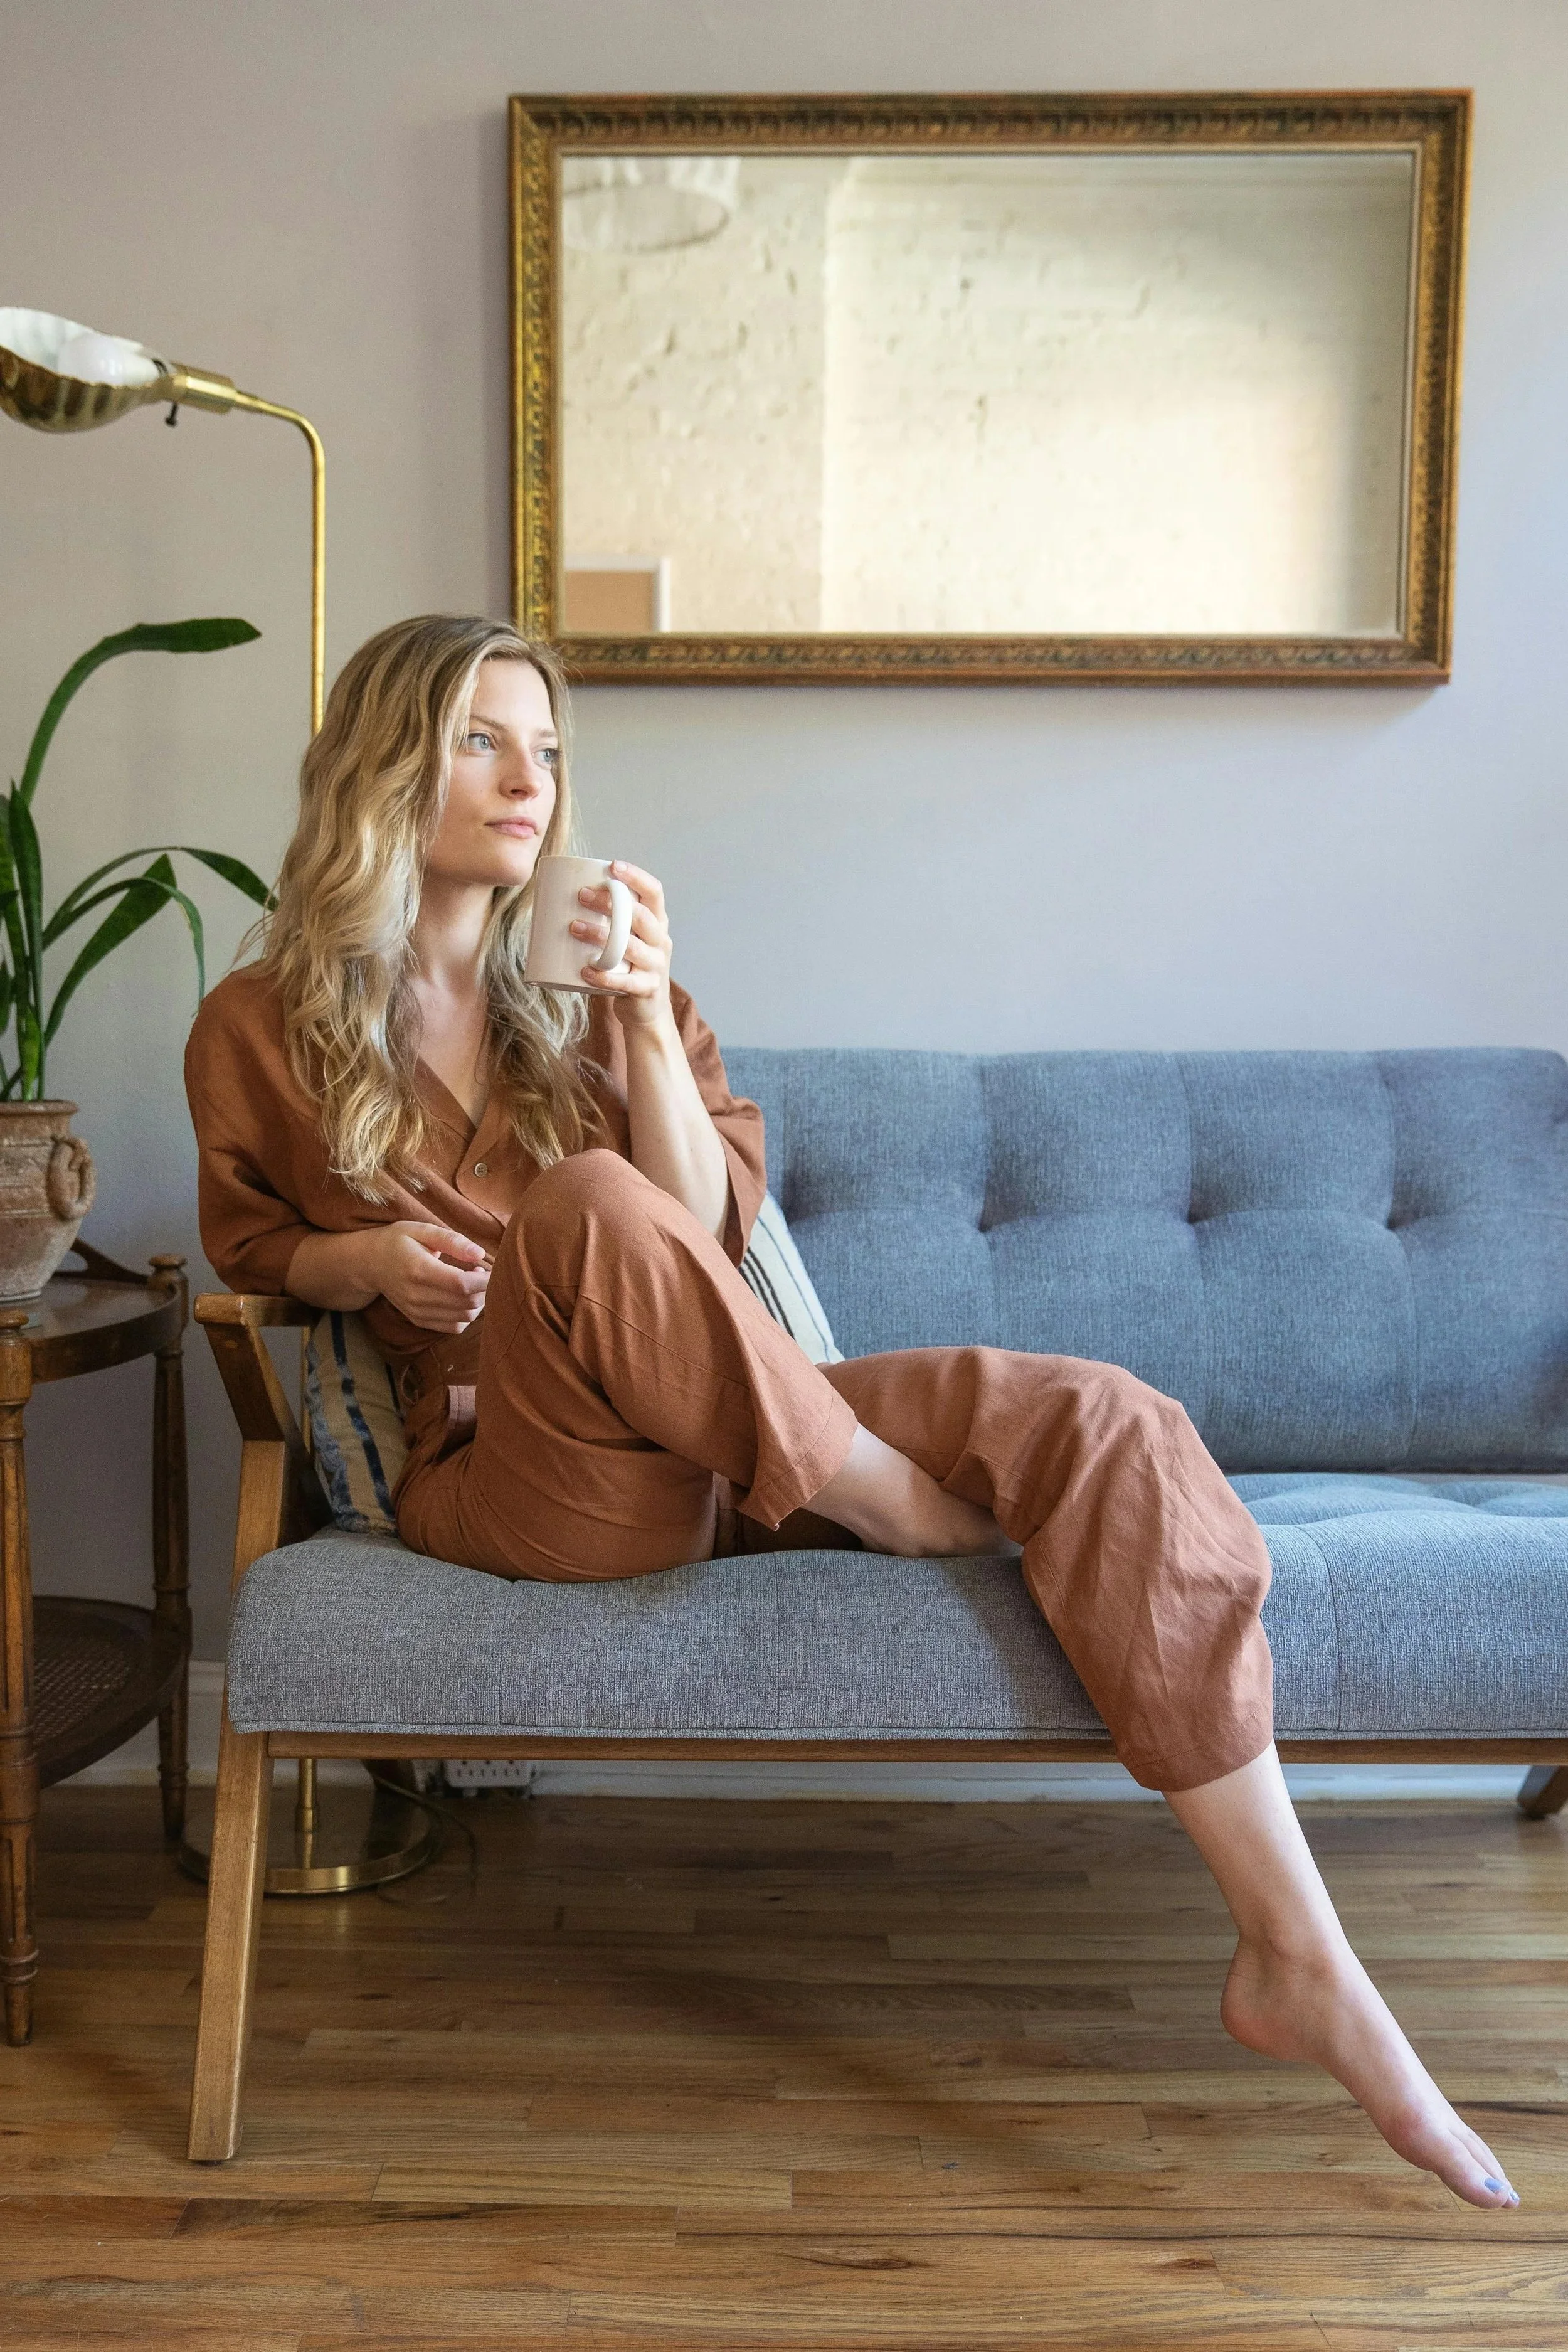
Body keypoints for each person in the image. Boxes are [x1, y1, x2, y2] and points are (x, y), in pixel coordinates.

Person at [185, 613, 1517, 2211]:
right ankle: (874, 1494)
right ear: (386, 761)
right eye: (482, 739)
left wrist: (635, 1017)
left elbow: (702, 1234)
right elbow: (251, 1245)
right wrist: (363, 1260)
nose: (528, 778)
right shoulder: (260, 1024)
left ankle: (1296, 1953)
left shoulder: (610, 995)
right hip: (520, 1475)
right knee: (585, 1203)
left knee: (1098, 1415)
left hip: (733, 1436)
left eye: (545, 747)